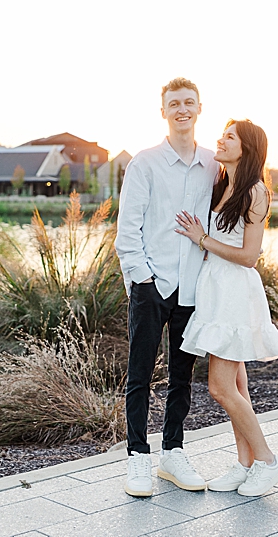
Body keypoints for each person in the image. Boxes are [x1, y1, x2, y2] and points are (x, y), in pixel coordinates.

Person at [174, 118, 278, 497]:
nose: (220, 141)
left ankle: (268, 461)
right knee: (237, 384)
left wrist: (202, 239)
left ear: (248, 148)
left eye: (230, 137)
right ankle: (244, 465)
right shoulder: (222, 184)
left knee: (221, 387)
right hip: (213, 290)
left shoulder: (256, 192)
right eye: (222, 135)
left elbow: (249, 257)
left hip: (235, 292)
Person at [115, 77, 219, 497]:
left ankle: (172, 453)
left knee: (183, 375)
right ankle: (138, 459)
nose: (181, 109)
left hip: (193, 289)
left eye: (188, 102)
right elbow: (127, 231)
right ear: (163, 111)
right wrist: (144, 280)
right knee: (139, 375)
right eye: (173, 103)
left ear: (199, 108)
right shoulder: (144, 163)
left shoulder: (214, 164)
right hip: (151, 286)